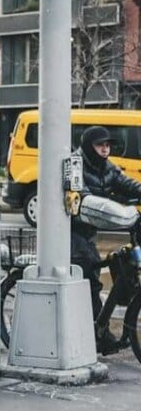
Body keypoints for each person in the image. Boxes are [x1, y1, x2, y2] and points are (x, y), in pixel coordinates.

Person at [71, 125, 141, 333]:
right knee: (90, 275)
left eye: (107, 144)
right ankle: (97, 331)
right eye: (99, 145)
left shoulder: (107, 167)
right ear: (88, 146)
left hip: (89, 229)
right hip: (72, 230)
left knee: (120, 260)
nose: (105, 149)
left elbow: (126, 183)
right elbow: (83, 196)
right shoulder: (76, 165)